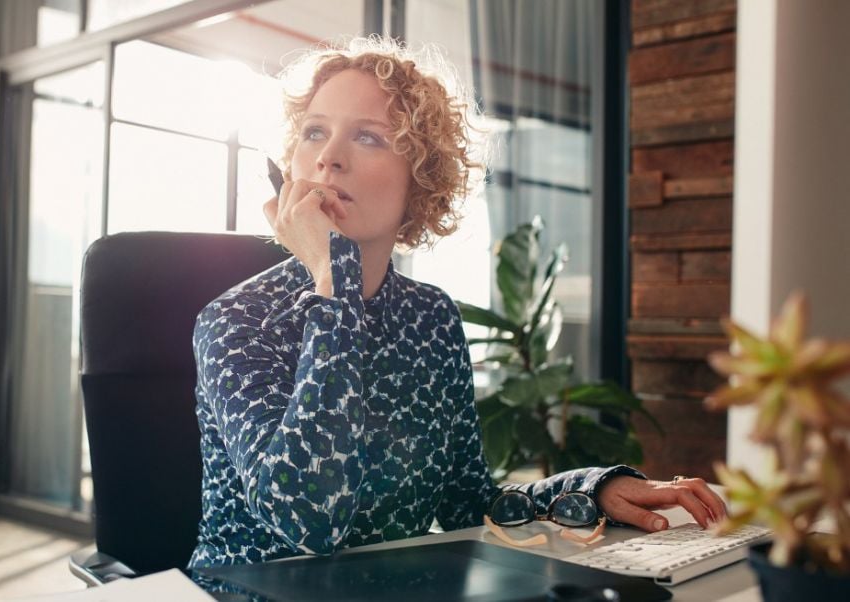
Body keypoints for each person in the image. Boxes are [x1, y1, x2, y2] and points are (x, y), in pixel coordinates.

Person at [187, 37, 726, 569]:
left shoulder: (431, 318)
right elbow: (308, 518)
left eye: (369, 138)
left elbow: (467, 502)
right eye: (314, 133)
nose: (329, 158)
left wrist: (594, 488)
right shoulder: (237, 321)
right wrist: (333, 284)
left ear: (420, 179)